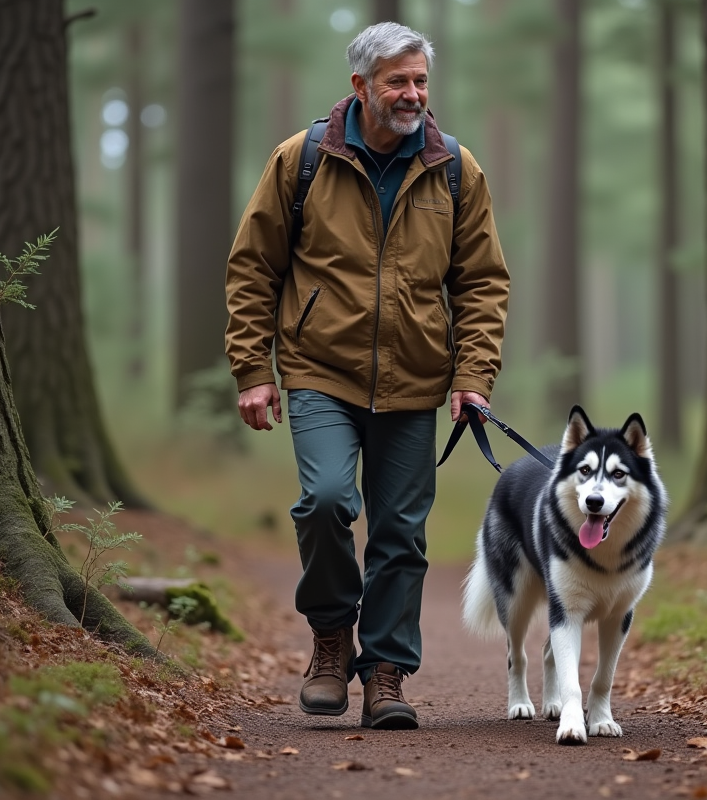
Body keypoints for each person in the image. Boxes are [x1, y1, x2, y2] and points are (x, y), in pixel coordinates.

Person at [224, 22, 509, 730]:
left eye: (420, 81)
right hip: (320, 369)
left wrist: (472, 376)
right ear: (360, 86)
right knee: (324, 502)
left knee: (401, 533)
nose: (413, 94)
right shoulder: (303, 161)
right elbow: (253, 267)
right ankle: (329, 639)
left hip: (416, 378)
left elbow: (481, 282)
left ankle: (385, 672)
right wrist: (253, 369)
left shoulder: (453, 169)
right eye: (397, 82)